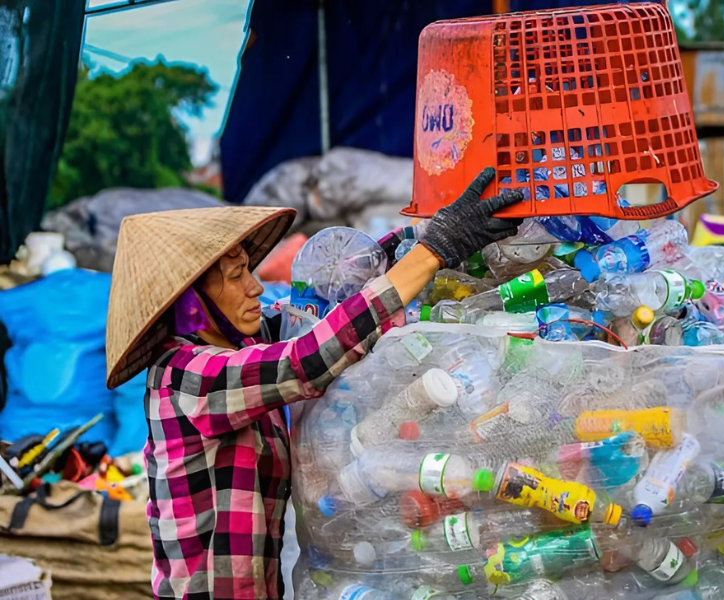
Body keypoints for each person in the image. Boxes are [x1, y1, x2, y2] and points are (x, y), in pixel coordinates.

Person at [104, 168, 523, 600]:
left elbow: (321, 307)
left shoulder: (243, 343)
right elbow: (306, 359)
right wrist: (434, 251)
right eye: (235, 277)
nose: (256, 286)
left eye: (249, 269)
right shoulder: (188, 377)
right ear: (192, 305)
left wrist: (407, 243)